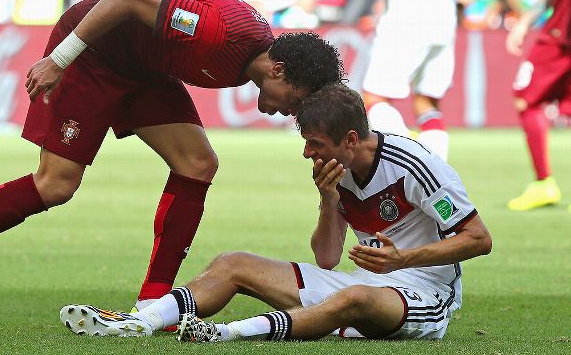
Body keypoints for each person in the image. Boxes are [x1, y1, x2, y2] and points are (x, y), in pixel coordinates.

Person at [0, 0, 345, 321]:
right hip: (94, 55)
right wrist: (60, 58)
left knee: (197, 163)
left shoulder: (253, 55)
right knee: (56, 184)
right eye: (297, 99)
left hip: (142, 67)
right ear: (279, 70)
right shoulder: (215, 33)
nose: (292, 111)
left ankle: (153, 303)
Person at [60, 84, 492, 341]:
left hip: (425, 295)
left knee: (354, 298)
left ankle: (227, 334)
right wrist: (328, 202)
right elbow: (326, 258)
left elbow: (478, 239)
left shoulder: (416, 166)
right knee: (233, 264)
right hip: (365, 282)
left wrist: (404, 259)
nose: (307, 153)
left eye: (315, 143)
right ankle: (141, 322)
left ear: (351, 138)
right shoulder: (336, 170)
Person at [361, 0, 483, 161]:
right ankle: (437, 175)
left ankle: (408, 153)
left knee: (374, 99)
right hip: (443, 21)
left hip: (405, 20)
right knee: (427, 103)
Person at [505, 0, 570, 212]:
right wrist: (524, 22)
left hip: (560, 38)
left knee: (525, 97)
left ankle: (544, 182)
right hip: (560, 34)